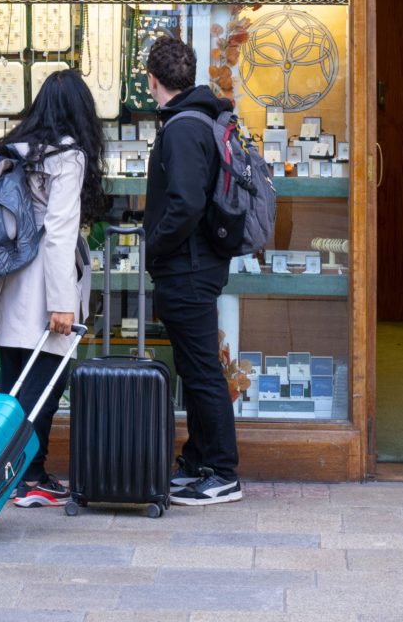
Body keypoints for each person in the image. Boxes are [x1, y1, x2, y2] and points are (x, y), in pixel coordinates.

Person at [0, 69, 104, 509]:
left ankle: (5, 472)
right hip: (43, 285)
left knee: (13, 381)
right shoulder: (67, 156)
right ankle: (29, 478)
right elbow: (58, 231)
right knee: (46, 384)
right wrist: (63, 303)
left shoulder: (16, 150)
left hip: (11, 279)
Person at [143, 34, 242, 506]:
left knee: (201, 370)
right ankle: (200, 459)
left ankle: (222, 470)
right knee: (194, 365)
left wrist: (154, 248)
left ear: (152, 79)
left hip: (188, 267)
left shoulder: (182, 128)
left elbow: (184, 204)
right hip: (197, 264)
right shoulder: (197, 119)